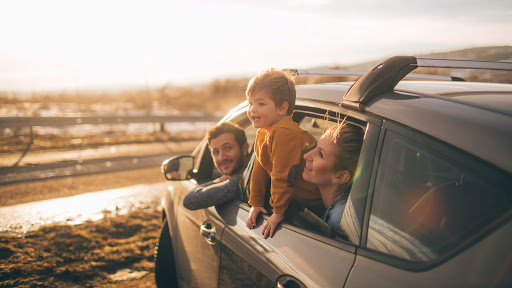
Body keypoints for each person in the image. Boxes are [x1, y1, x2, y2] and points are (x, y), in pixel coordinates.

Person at [245, 68, 322, 239]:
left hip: (314, 203)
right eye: (250, 103)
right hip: (299, 201)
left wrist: (278, 212)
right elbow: (260, 167)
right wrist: (256, 202)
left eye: (261, 104)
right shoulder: (265, 131)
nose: (252, 109)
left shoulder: (283, 132)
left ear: (282, 109)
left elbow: (283, 175)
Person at [302, 123, 364, 234]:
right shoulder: (338, 208)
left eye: (320, 154)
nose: (306, 156)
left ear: (340, 177)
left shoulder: (339, 218)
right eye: (315, 147)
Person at [183, 122, 250, 210]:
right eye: (216, 152)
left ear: (244, 148)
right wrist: (224, 178)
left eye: (227, 148)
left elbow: (190, 200)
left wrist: (221, 180)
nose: (221, 157)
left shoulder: (244, 182)